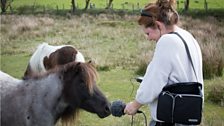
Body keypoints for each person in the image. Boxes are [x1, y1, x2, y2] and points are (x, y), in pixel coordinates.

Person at [123, 0, 204, 126]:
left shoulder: (167, 41)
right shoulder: (188, 37)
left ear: (158, 25)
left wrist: (135, 105)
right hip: (188, 115)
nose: (149, 38)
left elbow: (154, 81)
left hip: (170, 119)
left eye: (148, 33)